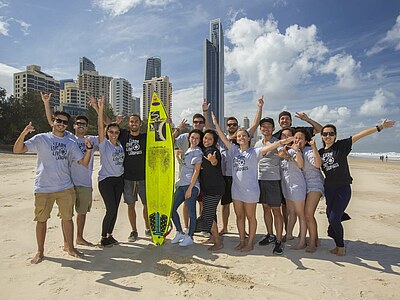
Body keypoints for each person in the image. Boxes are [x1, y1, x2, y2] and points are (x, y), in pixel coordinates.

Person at [13, 109, 92, 264]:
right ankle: (40, 251)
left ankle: (70, 247)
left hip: (65, 187)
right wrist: (24, 133)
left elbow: (83, 162)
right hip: (44, 188)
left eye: (64, 122)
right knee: (41, 220)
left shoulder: (70, 143)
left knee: (67, 218)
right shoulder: (42, 139)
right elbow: (17, 150)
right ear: (53, 122)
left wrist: (89, 149)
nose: (61, 124)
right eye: (58, 121)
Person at [212, 112, 294, 252]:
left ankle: (250, 243)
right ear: (236, 139)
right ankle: (242, 241)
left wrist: (281, 142)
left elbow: (270, 147)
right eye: (239, 136)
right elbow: (221, 136)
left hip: (251, 191)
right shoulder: (233, 150)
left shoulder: (255, 151)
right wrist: (215, 123)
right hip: (236, 190)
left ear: (249, 138)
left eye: (244, 135)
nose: (242, 137)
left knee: (251, 217)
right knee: (239, 217)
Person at [319, 119, 395, 256]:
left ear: (335, 135)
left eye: (331, 133)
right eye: (325, 134)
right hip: (329, 189)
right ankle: (338, 229)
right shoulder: (319, 152)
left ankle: (340, 247)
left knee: (334, 219)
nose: (328, 136)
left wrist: (380, 127)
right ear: (322, 136)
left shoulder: (341, 146)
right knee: (331, 217)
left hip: (343, 188)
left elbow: (360, 135)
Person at [41, 92, 99, 247]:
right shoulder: (68, 137)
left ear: (87, 127)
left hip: (85, 183)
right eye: (78, 123)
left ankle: (79, 238)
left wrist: (98, 109)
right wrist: (46, 103)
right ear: (74, 125)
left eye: (84, 124)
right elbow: (51, 122)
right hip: (69, 183)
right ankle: (67, 242)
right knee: (66, 215)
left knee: (82, 212)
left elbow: (103, 131)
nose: (81, 126)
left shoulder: (92, 139)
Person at [210, 98, 264, 236]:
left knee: (244, 205)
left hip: (241, 178)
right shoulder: (225, 141)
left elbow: (255, 123)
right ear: (227, 126)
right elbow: (213, 130)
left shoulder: (243, 136)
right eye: (229, 124)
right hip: (225, 176)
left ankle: (244, 230)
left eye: (234, 124)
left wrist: (259, 107)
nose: (232, 126)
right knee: (225, 204)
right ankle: (225, 227)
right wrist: (211, 118)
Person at [96, 97, 125, 248]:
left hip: (118, 180)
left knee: (116, 209)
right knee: (111, 208)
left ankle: (110, 235)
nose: (114, 134)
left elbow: (114, 128)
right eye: (111, 132)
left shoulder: (120, 145)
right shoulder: (104, 145)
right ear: (107, 133)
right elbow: (101, 127)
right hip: (106, 180)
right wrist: (100, 108)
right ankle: (103, 238)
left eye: (116, 132)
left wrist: (116, 123)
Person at [255, 117, 284, 255]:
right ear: (260, 129)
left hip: (273, 180)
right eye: (263, 126)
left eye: (269, 126)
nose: (266, 128)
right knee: (265, 209)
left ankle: (279, 240)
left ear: (273, 128)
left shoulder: (277, 143)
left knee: (276, 211)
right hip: (260, 179)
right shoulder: (257, 144)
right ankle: (270, 234)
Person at [171, 129, 204, 246]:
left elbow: (196, 171)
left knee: (191, 213)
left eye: (197, 138)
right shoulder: (189, 150)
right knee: (172, 208)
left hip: (191, 186)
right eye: (192, 137)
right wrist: (179, 157)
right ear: (189, 138)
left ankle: (190, 236)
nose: (194, 140)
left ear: (199, 140)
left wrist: (190, 188)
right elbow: (185, 167)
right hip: (182, 184)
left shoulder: (198, 152)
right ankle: (179, 231)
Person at [294, 129, 324, 253]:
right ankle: (315, 239)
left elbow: (317, 164)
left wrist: (314, 148)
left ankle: (312, 243)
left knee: (308, 214)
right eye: (295, 138)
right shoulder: (298, 152)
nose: (297, 140)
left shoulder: (308, 151)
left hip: (315, 185)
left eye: (300, 138)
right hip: (305, 186)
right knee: (307, 215)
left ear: (306, 140)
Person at [279, 127, 307, 250]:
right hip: (287, 187)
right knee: (291, 213)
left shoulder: (297, 150)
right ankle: (289, 234)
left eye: (289, 136)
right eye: (283, 136)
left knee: (301, 214)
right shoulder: (284, 150)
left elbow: (300, 164)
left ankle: (302, 241)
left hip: (297, 186)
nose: (286, 138)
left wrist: (295, 152)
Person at [199, 129, 225, 251]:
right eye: (205, 138)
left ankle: (218, 242)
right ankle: (213, 238)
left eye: (210, 139)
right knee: (211, 212)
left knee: (208, 215)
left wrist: (212, 160)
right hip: (209, 188)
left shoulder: (211, 151)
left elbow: (213, 161)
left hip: (213, 190)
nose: (207, 141)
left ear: (214, 141)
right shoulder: (204, 150)